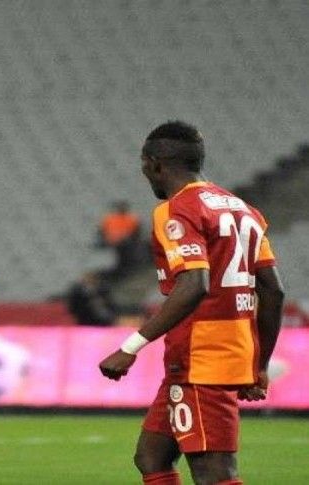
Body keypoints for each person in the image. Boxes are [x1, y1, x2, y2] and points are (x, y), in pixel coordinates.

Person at [99, 121, 284, 485]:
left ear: (155, 164)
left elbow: (194, 283)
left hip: (203, 359)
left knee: (213, 472)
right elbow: (273, 292)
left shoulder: (177, 209)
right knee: (152, 456)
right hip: (211, 357)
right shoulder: (243, 210)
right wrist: (258, 364)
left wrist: (130, 347)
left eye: (143, 165)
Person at [98, 200, 144, 277]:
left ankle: (127, 268)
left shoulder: (131, 219)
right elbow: (101, 232)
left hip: (124, 243)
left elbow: (136, 233)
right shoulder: (109, 219)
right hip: (114, 243)